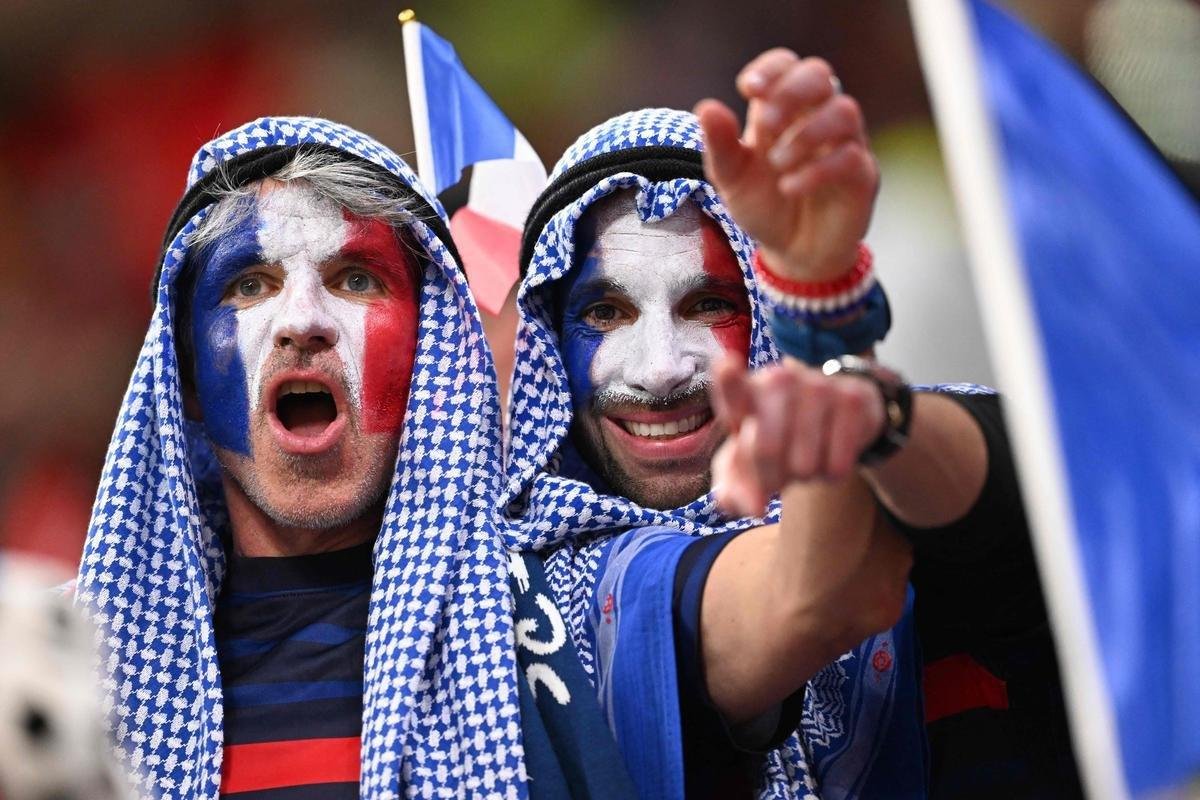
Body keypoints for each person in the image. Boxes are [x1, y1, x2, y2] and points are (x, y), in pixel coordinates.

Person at [504, 50, 1080, 799]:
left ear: (767, 319)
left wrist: (851, 376)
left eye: (708, 304)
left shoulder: (910, 436)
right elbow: (820, 593)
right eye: (604, 313)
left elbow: (1045, 493)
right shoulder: (535, 601)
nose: (658, 371)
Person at [74, 118, 533, 799]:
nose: (303, 321)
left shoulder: (556, 626)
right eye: (251, 285)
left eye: (353, 279)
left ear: (429, 359)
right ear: (189, 380)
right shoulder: (55, 680)